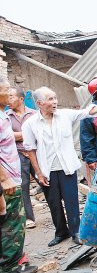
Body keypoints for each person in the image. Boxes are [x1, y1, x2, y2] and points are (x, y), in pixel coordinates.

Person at [22, 86, 97, 247]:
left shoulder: (65, 115)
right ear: (40, 103)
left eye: (55, 98)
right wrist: (39, 173)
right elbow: (30, 150)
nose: (55, 102)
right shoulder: (30, 124)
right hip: (47, 170)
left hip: (67, 166)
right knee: (54, 203)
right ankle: (60, 232)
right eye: (50, 99)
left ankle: (76, 231)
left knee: (71, 201)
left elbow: (88, 112)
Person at [0, 77, 38, 273]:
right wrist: (5, 180)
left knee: (8, 221)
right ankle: (9, 268)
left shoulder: (3, 116)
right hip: (6, 180)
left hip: (9, 176)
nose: (10, 94)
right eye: (6, 90)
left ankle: (9, 260)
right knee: (13, 222)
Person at [6, 87, 37, 229]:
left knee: (46, 183)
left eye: (11, 96)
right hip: (19, 154)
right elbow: (8, 136)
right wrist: (28, 133)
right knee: (23, 186)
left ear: (21, 99)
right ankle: (29, 218)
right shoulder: (6, 116)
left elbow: (39, 133)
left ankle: (58, 216)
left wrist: (17, 135)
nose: (8, 100)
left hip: (36, 153)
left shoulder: (34, 114)